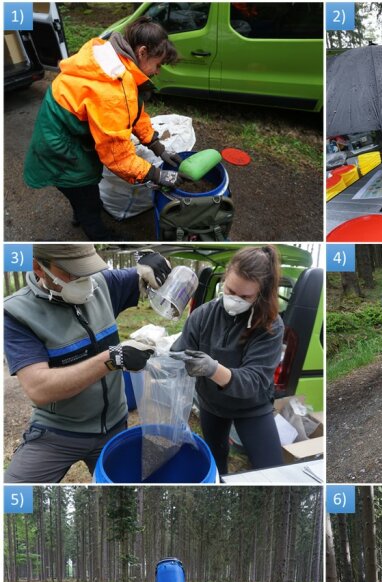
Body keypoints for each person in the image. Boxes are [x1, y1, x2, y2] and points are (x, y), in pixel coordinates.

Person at [4, 243, 172, 482]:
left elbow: (147, 273)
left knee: (124, 491)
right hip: (58, 432)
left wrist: (155, 264)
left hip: (114, 426)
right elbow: (39, 388)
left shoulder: (102, 284)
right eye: (71, 273)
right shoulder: (16, 313)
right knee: (13, 493)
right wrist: (112, 358)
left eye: (86, 270)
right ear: (39, 268)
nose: (83, 279)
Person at [23, 18, 183, 241]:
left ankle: (81, 212)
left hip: (60, 132)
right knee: (86, 194)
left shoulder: (111, 55)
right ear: (143, 51)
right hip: (61, 147)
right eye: (158, 64)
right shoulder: (113, 89)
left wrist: (156, 145)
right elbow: (118, 157)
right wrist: (157, 174)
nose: (157, 71)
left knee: (83, 193)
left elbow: (133, 111)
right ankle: (99, 235)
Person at [170, 246, 284, 476]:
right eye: (230, 290)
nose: (234, 299)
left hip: (252, 406)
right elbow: (179, 353)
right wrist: (162, 357)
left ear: (261, 294)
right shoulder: (202, 315)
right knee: (215, 461)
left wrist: (212, 369)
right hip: (212, 404)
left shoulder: (271, 325)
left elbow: (254, 381)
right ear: (224, 279)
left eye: (245, 297)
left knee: (272, 470)